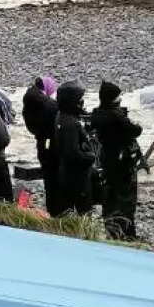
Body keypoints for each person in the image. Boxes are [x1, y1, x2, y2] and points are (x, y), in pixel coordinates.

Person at [89, 80, 143, 240]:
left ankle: (111, 228)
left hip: (106, 158)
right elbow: (136, 130)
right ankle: (127, 232)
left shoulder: (97, 114)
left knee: (110, 195)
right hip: (122, 160)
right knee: (126, 198)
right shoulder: (117, 116)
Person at [52, 80, 96, 216]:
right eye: (80, 99)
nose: (82, 102)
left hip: (66, 172)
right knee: (84, 211)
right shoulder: (71, 124)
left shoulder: (61, 116)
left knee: (67, 209)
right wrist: (90, 157)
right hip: (76, 176)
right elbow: (73, 152)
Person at [21, 75, 59, 207]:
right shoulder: (50, 105)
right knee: (55, 179)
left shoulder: (29, 103)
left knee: (48, 179)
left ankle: (51, 206)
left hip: (41, 142)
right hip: (51, 144)